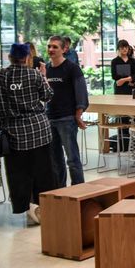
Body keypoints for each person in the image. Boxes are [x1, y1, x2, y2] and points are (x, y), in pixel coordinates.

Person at [0, 43, 56, 225]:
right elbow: (47, 96)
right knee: (43, 172)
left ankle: (25, 207)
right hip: (39, 130)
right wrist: (44, 76)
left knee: (18, 173)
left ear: (9, 57)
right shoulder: (34, 74)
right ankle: (43, 208)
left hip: (13, 133)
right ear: (27, 58)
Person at [45, 35, 88, 187]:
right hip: (50, 119)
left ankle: (78, 191)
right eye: (49, 46)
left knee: (72, 159)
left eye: (55, 47)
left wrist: (78, 115)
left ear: (64, 49)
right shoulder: (46, 69)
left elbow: (81, 92)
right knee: (55, 159)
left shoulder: (72, 68)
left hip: (67, 119)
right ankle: (60, 192)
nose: (51, 49)